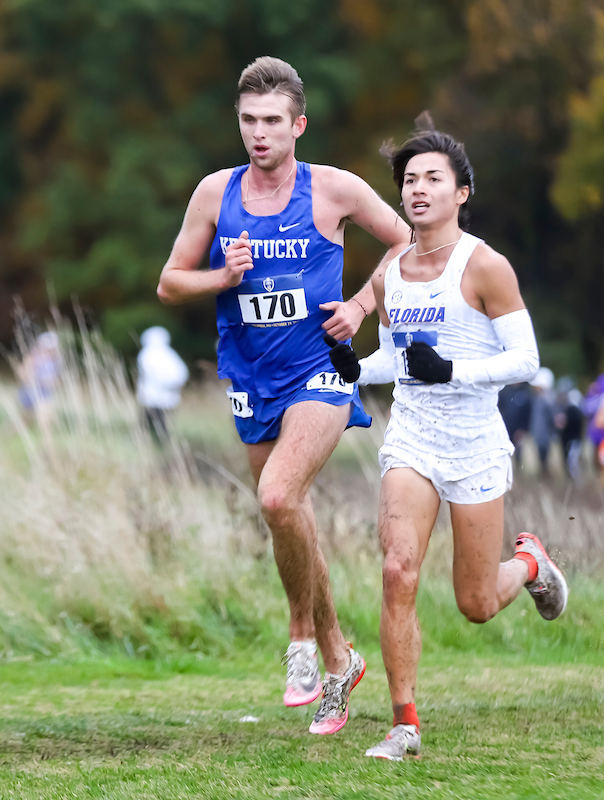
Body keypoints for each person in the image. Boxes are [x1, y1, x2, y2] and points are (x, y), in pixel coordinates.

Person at [156, 56, 413, 735]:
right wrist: (222, 276)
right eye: (248, 121)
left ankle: (300, 636)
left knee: (276, 495)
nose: (258, 134)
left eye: (272, 121)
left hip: (318, 372)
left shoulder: (334, 190)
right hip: (251, 377)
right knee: (285, 514)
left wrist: (360, 304)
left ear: (298, 124)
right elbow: (169, 282)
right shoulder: (216, 193)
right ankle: (339, 657)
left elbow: (409, 244)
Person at [340, 121, 567, 761]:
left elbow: (526, 359)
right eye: (409, 180)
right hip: (412, 435)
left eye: (433, 178)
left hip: (473, 444)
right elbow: (396, 360)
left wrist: (456, 371)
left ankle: (529, 564)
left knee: (474, 603)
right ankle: (403, 724)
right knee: (396, 569)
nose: (418, 189)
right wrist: (358, 369)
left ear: (461, 192)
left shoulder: (486, 265)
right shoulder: (391, 272)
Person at [136, 327, 190, 443]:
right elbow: (182, 374)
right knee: (156, 425)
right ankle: (156, 444)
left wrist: (166, 384)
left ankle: (155, 444)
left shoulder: (146, 354)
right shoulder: (168, 354)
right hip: (163, 398)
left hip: (153, 397)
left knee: (154, 425)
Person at [18, 331, 61, 432]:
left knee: (28, 421)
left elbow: (56, 378)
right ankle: (49, 446)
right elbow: (23, 373)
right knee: (43, 420)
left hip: (45, 394)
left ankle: (2, 436)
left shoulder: (56, 360)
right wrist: (35, 378)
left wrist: (53, 381)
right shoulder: (34, 357)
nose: (50, 350)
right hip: (31, 392)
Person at [554, 377, 585, 483]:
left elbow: (575, 421)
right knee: (569, 462)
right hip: (569, 439)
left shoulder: (573, 408)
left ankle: (576, 482)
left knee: (573, 463)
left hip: (573, 439)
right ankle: (572, 482)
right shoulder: (563, 406)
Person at [529, 367, 557, 477]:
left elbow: (551, 419)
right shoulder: (538, 398)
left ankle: (545, 476)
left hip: (545, 435)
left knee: (544, 457)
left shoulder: (547, 399)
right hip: (539, 434)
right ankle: (543, 475)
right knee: (540, 457)